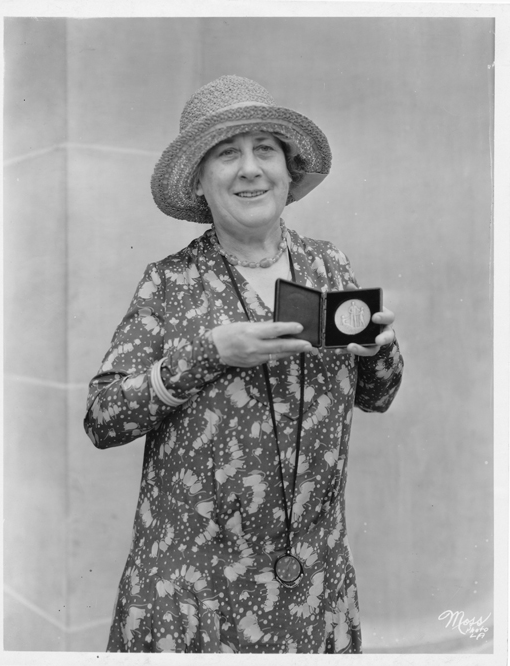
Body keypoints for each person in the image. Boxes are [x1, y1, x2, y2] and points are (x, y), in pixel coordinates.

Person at [83, 75, 404, 653]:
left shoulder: (327, 266)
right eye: (227, 154)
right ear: (201, 183)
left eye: (265, 151)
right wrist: (210, 353)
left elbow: (377, 395)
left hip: (311, 583)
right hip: (193, 593)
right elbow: (103, 417)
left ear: (288, 171)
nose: (250, 168)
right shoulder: (169, 283)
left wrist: (380, 348)